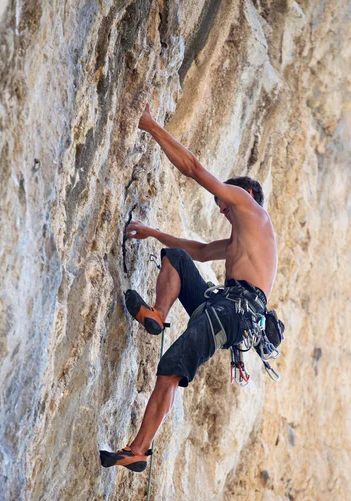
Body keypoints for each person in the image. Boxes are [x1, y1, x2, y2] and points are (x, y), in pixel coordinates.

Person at [99, 104, 278, 472]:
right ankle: (156, 315)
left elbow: (195, 168)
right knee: (177, 257)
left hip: (232, 313)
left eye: (223, 200)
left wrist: (150, 125)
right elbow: (196, 251)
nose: (221, 208)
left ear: (243, 193)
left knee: (171, 368)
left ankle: (138, 450)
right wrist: (152, 233)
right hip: (229, 307)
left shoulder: (249, 206)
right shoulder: (244, 240)